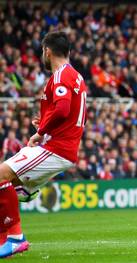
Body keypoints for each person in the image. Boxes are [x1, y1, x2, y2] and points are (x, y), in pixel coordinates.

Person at [0, 31, 87, 258]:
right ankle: (18, 199)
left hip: (56, 147)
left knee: (1, 175)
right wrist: (46, 121)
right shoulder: (76, 76)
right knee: (3, 184)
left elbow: (63, 108)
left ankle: (15, 238)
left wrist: (41, 131)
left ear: (47, 51)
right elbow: (69, 113)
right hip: (61, 145)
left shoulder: (60, 76)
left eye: (42, 52)